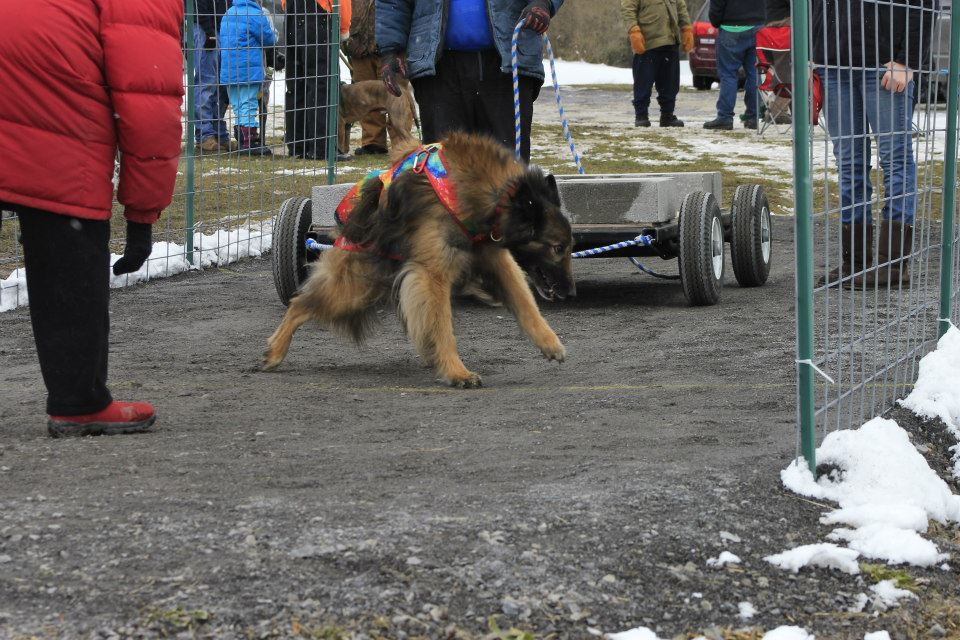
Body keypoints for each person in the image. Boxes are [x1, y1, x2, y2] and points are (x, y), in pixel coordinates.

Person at [0, 1, 184, 437]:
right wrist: (142, 214)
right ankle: (78, 401)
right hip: (51, 100)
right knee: (68, 242)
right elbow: (148, 104)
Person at [814, 0, 932, 286]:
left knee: (895, 160)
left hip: (884, 65)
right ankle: (854, 262)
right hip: (831, 64)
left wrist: (907, 60)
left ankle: (892, 267)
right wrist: (810, 56)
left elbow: (924, 4)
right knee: (848, 161)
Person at [376, 0, 564, 163]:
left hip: (506, 66)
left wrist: (543, 2)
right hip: (438, 71)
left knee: (509, 175)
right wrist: (390, 48)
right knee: (444, 171)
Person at [282, 0, 353, 160]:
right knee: (323, 83)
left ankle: (298, 145)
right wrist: (343, 29)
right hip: (318, 14)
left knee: (297, 82)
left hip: (293, 13)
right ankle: (322, 147)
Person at [620, 0, 693, 128]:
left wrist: (686, 27)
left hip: (670, 41)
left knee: (670, 84)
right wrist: (633, 30)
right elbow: (628, 8)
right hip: (647, 43)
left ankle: (667, 116)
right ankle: (641, 116)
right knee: (643, 83)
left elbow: (680, 6)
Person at [220, 0, 278, 155]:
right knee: (249, 105)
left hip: (228, 70)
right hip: (248, 70)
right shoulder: (254, 14)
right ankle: (249, 142)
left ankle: (242, 138)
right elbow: (269, 39)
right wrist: (274, 34)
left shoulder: (228, 13)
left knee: (239, 106)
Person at [704, 0, 766, 130]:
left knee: (728, 74)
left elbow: (716, 9)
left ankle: (725, 117)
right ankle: (753, 116)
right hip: (757, 27)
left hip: (730, 28)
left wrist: (716, 22)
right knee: (754, 73)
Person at [343, 0, 390, 155]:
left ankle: (402, 143)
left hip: (391, 48)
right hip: (359, 46)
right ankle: (373, 143)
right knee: (365, 99)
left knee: (395, 97)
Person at [192, 0, 236, 154]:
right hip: (206, 29)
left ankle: (218, 133)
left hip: (220, 29)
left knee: (220, 85)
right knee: (207, 82)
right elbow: (198, 7)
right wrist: (209, 32)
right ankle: (205, 135)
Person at [761, 0, 791, 125]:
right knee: (789, 74)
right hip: (782, 29)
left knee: (784, 72)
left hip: (771, 29)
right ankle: (777, 111)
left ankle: (779, 110)